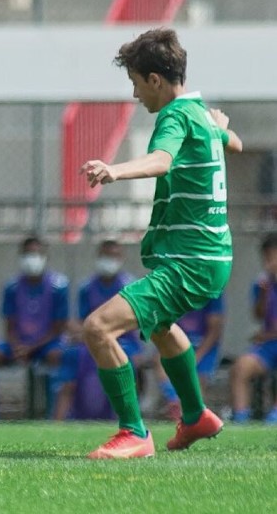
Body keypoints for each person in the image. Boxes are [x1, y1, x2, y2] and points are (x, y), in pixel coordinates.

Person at [80, 28, 242, 459]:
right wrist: (221, 131)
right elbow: (236, 143)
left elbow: (161, 161)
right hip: (211, 256)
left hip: (191, 260)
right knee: (159, 326)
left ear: (155, 80)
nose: (135, 95)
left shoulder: (174, 116)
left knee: (97, 328)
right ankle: (195, 416)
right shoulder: (202, 115)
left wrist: (114, 170)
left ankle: (134, 434)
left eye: (135, 83)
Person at [0, 236, 68, 420]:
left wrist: (32, 348)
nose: (32, 258)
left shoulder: (58, 286)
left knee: (58, 357)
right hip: (18, 344)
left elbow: (59, 327)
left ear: (45, 256)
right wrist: (17, 346)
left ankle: (52, 417)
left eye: (37, 253)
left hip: (47, 344)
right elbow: (9, 324)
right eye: (28, 253)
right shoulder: (12, 287)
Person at [54, 240, 143, 421]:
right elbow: (82, 322)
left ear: (122, 258)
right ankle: (58, 422)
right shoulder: (87, 288)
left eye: (114, 256)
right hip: (90, 343)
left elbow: (134, 322)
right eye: (106, 255)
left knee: (124, 361)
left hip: (124, 342)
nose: (109, 260)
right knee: (70, 356)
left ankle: (127, 422)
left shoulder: (130, 287)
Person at [230, 233, 277, 423]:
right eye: (267, 258)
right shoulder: (262, 284)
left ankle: (274, 414)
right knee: (241, 367)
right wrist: (265, 293)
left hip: (267, 338)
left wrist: (266, 335)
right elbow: (258, 315)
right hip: (268, 346)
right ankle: (241, 416)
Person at [156, 295, 225, 420]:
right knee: (160, 361)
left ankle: (193, 416)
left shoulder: (213, 290)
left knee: (196, 386)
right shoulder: (173, 288)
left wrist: (196, 356)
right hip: (177, 345)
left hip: (204, 349)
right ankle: (175, 402)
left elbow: (215, 329)